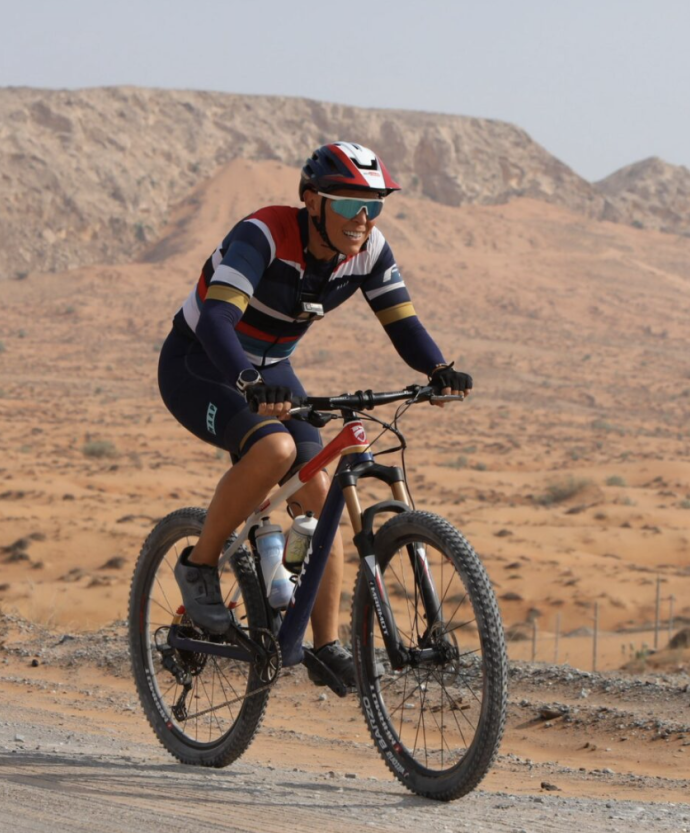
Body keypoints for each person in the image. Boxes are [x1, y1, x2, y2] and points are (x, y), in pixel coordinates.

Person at [158, 141, 472, 691]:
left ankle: (325, 645)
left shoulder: (369, 250)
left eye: (374, 205)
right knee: (274, 449)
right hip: (201, 364)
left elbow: (403, 323)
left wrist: (439, 368)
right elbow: (215, 320)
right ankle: (199, 565)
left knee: (321, 495)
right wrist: (248, 381)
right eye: (349, 203)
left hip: (273, 372)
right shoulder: (263, 234)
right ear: (311, 200)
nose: (363, 217)